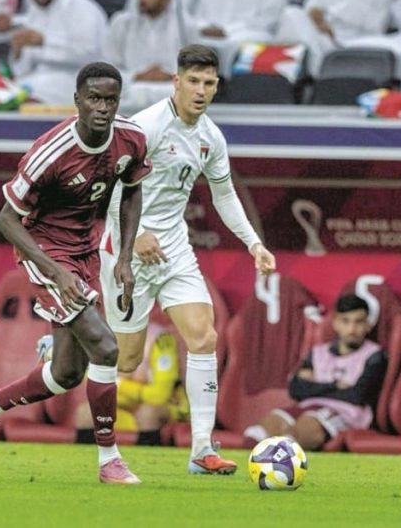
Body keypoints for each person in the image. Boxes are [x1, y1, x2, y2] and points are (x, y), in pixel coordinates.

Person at [0, 61, 152, 484]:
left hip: (87, 250)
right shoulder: (50, 151)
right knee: (106, 348)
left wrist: (124, 258)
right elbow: (7, 219)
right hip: (46, 251)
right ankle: (109, 460)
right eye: (94, 99)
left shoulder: (131, 138)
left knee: (67, 372)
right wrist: (56, 272)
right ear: (77, 100)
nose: (102, 108)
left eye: (110, 100)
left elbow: (132, 190)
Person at [99, 44, 276, 475]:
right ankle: (63, 351)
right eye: (193, 81)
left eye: (208, 83)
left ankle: (201, 449)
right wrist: (136, 234)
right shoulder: (145, 127)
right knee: (125, 360)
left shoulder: (211, 138)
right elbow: (108, 187)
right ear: (176, 82)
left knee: (203, 337)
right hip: (126, 251)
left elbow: (224, 195)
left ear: (216, 87)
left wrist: (254, 243)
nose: (200, 90)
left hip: (174, 249)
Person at [242, 294, 387, 452]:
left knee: (300, 431)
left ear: (368, 325)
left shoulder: (375, 355)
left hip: (345, 412)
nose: (352, 329)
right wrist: (335, 386)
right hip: (307, 407)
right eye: (346, 321)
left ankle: (284, 464)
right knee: (259, 432)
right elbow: (295, 389)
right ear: (335, 323)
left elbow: (358, 395)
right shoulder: (318, 353)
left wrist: (313, 386)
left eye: (358, 322)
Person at [0, 0, 108, 104]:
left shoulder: (82, 8)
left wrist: (44, 42)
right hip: (39, 81)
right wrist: (18, 52)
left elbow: (88, 55)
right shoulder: (35, 15)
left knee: (17, 95)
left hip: (78, 80)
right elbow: (22, 71)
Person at [73, 324, 186, 446]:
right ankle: (89, 458)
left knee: (147, 414)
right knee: (86, 412)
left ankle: (149, 457)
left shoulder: (160, 340)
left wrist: (119, 385)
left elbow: (160, 395)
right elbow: (95, 387)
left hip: (167, 408)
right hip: (125, 409)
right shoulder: (105, 337)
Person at [105, 0, 197, 107]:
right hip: (131, 90)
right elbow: (109, 67)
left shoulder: (186, 26)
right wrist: (137, 76)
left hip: (171, 89)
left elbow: (195, 69)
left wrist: (170, 75)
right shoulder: (121, 24)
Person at [275, 0, 393, 75]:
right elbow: (313, 9)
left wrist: (331, 14)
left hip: (363, 41)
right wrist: (321, 22)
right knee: (292, 15)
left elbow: (371, 23)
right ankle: (305, 75)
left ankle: (323, 72)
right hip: (326, 37)